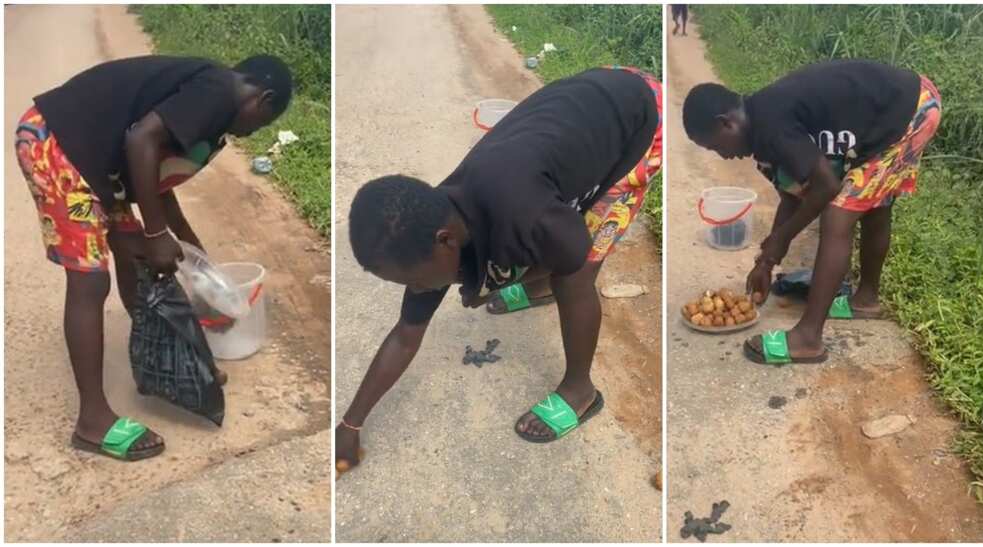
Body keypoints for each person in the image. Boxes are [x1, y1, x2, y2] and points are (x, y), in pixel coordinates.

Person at [338, 66, 662, 470]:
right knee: (538, 251)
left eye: (415, 281)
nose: (418, 290)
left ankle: (580, 390)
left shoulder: (523, 213)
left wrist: (490, 286)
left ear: (445, 240)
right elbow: (406, 336)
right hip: (588, 104)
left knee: (574, 277)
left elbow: (574, 252)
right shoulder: (430, 220)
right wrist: (351, 424)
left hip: (639, 119)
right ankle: (537, 290)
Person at [14, 54, 293, 461]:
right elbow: (140, 140)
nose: (251, 132)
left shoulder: (211, 101)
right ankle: (92, 421)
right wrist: (157, 233)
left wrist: (187, 246)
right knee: (90, 279)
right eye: (262, 122)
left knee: (140, 259)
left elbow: (154, 177)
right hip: (56, 146)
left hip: (100, 165)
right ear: (261, 99)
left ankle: (164, 361)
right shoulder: (219, 91)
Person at [681, 59, 941, 365]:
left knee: (837, 214)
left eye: (715, 146)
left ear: (727, 122)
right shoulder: (761, 127)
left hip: (910, 110)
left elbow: (826, 186)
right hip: (902, 105)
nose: (723, 155)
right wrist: (767, 260)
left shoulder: (771, 123)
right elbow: (793, 197)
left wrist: (781, 239)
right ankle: (866, 301)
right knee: (874, 204)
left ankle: (807, 338)